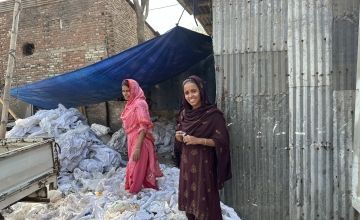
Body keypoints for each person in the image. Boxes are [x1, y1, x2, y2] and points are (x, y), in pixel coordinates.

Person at [174, 75, 232, 220]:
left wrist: (198, 140)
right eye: (186, 93)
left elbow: (222, 141)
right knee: (190, 201)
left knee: (205, 202)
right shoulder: (184, 114)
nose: (190, 96)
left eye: (194, 91)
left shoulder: (213, 115)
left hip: (204, 166)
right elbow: (180, 134)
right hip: (187, 166)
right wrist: (178, 137)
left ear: (201, 91)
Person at [120, 79, 163, 194]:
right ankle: (138, 188)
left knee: (135, 169)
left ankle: (134, 192)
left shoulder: (139, 103)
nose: (125, 93)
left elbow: (143, 126)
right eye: (123, 91)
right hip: (132, 139)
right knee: (136, 166)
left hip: (140, 140)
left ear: (134, 89)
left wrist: (138, 147)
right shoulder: (130, 104)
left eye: (128, 90)